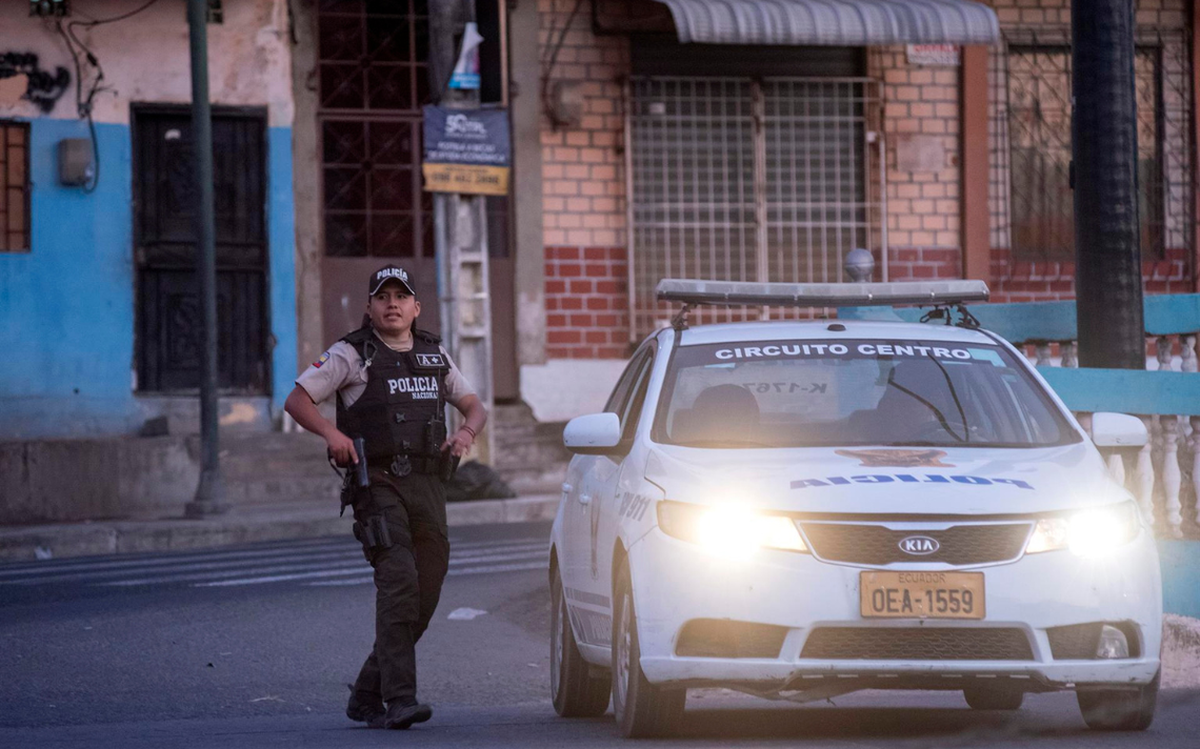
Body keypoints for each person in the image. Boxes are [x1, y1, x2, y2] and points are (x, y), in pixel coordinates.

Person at [284, 264, 487, 730]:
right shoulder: (351, 354)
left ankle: (366, 693)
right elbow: (297, 400)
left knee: (426, 591)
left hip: (428, 485)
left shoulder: (434, 353)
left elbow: (473, 405)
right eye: (382, 297)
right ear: (370, 307)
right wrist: (332, 435)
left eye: (401, 296)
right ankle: (399, 700)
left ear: (416, 307)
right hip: (377, 484)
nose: (392, 304)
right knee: (399, 582)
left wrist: (466, 433)